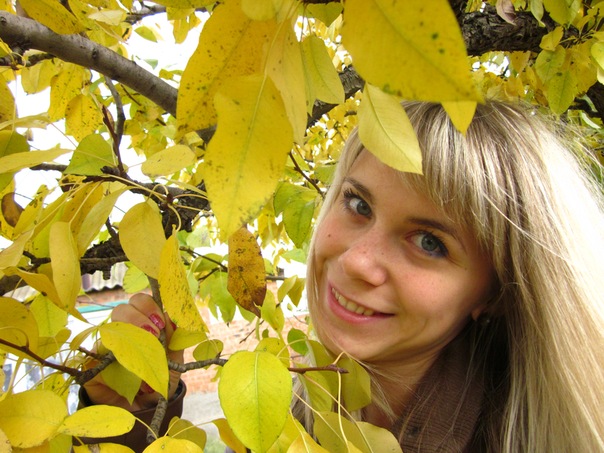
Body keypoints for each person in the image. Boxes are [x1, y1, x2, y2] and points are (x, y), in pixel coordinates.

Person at [82, 100, 604, 452]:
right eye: (358, 204)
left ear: (498, 294)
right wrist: (133, 417)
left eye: (430, 242)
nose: (356, 260)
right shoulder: (299, 411)